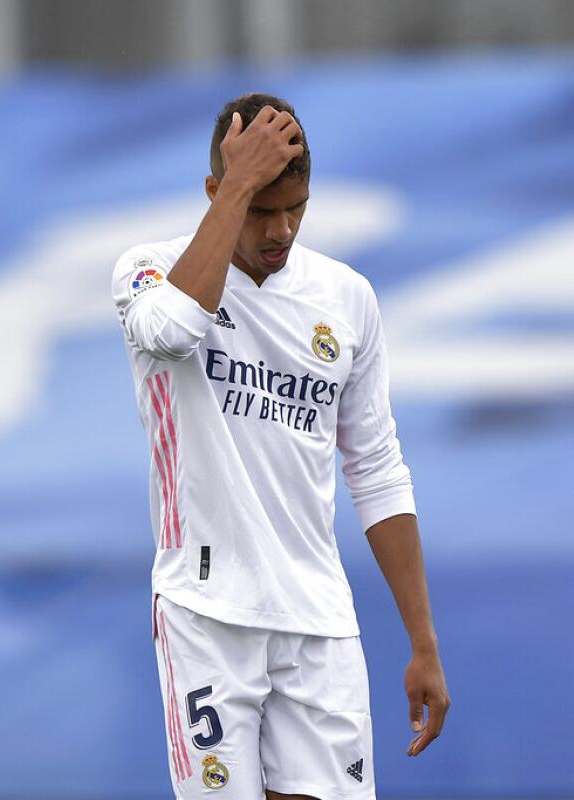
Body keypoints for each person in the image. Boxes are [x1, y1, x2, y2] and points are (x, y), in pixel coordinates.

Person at [111, 93, 450, 798]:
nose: (282, 229)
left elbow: (379, 471)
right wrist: (238, 189)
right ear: (216, 190)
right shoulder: (149, 268)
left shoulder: (346, 298)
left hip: (317, 621)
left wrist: (423, 641)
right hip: (205, 612)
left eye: (295, 207)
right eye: (261, 210)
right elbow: (171, 332)